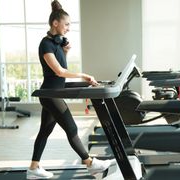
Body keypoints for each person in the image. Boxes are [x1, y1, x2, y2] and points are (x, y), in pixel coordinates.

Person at [26, 1, 114, 179]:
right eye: (66, 24)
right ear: (55, 23)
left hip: (54, 92)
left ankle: (34, 167)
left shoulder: (57, 45)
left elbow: (60, 74)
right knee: (72, 128)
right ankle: (89, 163)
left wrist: (65, 53)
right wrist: (83, 75)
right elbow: (58, 72)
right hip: (50, 95)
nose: (68, 28)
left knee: (44, 131)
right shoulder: (46, 45)